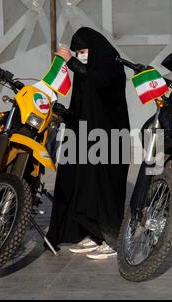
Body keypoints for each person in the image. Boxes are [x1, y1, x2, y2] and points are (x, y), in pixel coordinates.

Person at [46, 27, 130, 260]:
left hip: (110, 140)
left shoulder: (112, 64)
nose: (81, 55)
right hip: (86, 138)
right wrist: (65, 115)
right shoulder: (84, 71)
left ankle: (111, 239)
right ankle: (92, 233)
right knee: (82, 184)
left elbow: (101, 83)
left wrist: (72, 61)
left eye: (83, 51)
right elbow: (84, 106)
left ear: (94, 48)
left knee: (105, 189)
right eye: (77, 52)